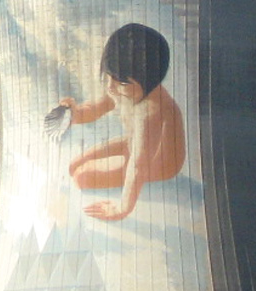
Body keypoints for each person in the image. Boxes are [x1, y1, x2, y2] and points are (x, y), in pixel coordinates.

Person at [54, 22, 185, 221]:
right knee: (74, 164)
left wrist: (122, 208)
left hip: (159, 162)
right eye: (108, 77)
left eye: (121, 82)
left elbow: (139, 166)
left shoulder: (151, 111)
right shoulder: (123, 89)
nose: (111, 87)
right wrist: (73, 113)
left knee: (82, 177)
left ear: (149, 81)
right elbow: (95, 110)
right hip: (133, 144)